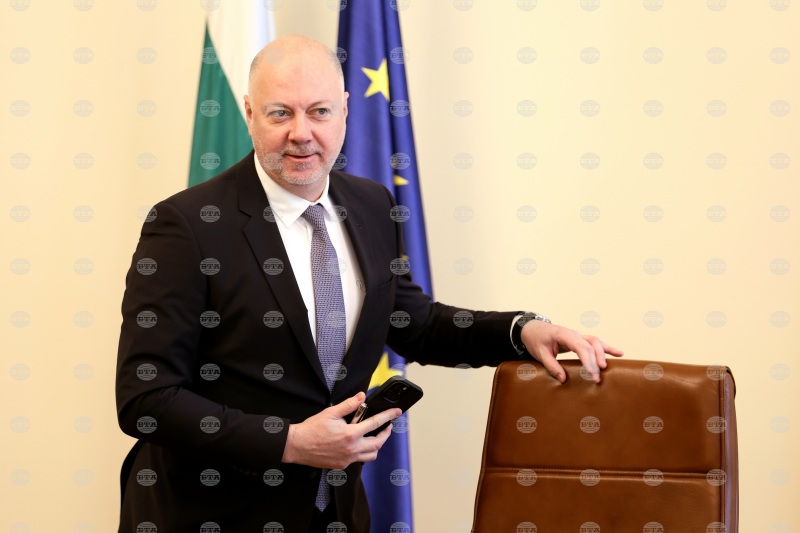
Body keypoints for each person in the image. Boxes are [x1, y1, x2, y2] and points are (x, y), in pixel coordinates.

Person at [115, 34, 622, 533]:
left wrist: (522, 330)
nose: (301, 133)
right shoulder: (187, 226)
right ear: (249, 113)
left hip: (335, 513)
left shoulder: (372, 205)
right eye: (280, 113)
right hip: (208, 514)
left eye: (319, 112)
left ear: (344, 110)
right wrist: (289, 442)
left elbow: (416, 324)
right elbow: (145, 397)